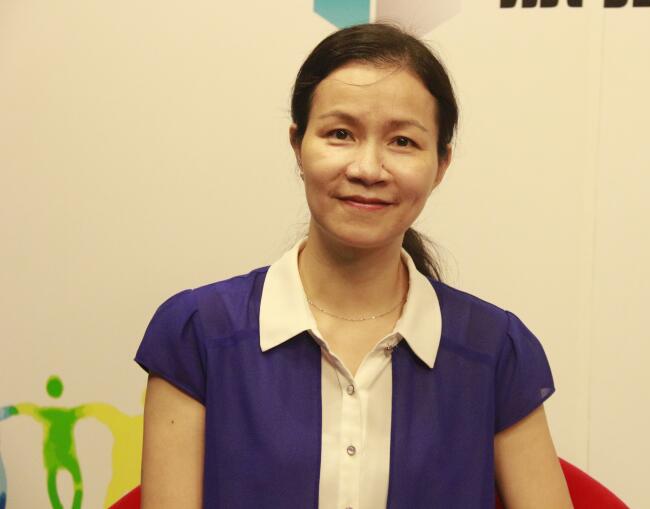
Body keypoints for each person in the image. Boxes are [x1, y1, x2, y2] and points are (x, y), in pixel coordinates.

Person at [135, 23, 572, 509]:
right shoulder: (198, 334)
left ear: (441, 164)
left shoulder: (495, 350)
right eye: (340, 134)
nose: (367, 169)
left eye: (402, 142)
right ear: (298, 145)